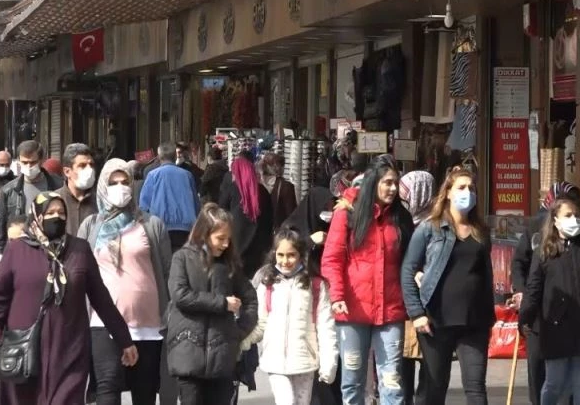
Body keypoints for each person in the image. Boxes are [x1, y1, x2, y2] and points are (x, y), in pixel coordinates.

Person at [0, 192, 138, 404]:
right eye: (50, 212)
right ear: (37, 216)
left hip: (69, 349)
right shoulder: (17, 250)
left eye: (61, 213)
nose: (56, 217)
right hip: (23, 349)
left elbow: (101, 299)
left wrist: (124, 339)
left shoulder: (79, 250)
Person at [78, 159, 173, 405]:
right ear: (102, 186)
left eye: (125, 182)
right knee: (107, 388)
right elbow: (80, 273)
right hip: (103, 323)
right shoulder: (91, 226)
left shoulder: (151, 225)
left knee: (145, 392)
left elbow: (165, 271)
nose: (120, 187)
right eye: (113, 182)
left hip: (148, 324)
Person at [322, 155, 414, 405]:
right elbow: (332, 259)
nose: (393, 188)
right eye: (387, 182)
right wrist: (337, 296)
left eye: (396, 183)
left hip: (391, 311)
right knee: (352, 382)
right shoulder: (348, 214)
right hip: (352, 310)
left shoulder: (401, 218)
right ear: (373, 183)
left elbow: (411, 261)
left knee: (392, 381)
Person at [401, 166, 494, 405]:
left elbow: (485, 276)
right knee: (434, 387)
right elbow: (408, 270)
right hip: (436, 322)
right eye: (461, 187)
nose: (467, 192)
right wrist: (417, 314)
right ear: (448, 192)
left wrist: (490, 316)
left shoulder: (481, 231)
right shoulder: (430, 228)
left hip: (474, 322)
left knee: (476, 388)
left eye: (471, 188)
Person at [166, 203, 258, 405]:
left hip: (222, 357)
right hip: (187, 354)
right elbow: (180, 295)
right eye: (220, 238)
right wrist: (222, 303)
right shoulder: (182, 258)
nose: (225, 244)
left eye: (228, 239)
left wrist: (238, 332)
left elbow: (251, 299)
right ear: (204, 234)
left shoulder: (229, 265)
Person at [242, 228, 337, 405]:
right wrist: (242, 340)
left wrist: (329, 361)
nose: (285, 261)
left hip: (305, 361)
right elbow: (261, 323)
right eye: (281, 255)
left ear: (301, 255)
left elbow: (325, 326)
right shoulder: (267, 284)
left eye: (291, 255)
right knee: (287, 401)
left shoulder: (315, 285)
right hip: (275, 361)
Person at [519, 198, 580, 405]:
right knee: (554, 381)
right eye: (568, 215)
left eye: (576, 215)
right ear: (555, 220)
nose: (574, 219)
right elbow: (534, 288)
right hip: (555, 327)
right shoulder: (545, 251)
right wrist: (525, 317)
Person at [512, 181, 580, 405]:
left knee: (570, 376)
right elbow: (518, 264)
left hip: (570, 314)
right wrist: (521, 292)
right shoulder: (534, 228)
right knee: (538, 369)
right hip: (538, 312)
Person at [397, 170, 435, 405]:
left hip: (430, 306)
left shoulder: (437, 223)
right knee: (401, 369)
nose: (403, 201)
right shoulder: (400, 221)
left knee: (430, 370)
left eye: (406, 195)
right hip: (403, 304)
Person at [0, 140, 63, 253]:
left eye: (32, 162)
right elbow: (2, 228)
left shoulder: (58, 185)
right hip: (20, 249)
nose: (28, 166)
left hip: (51, 247)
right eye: (24, 162)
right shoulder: (8, 190)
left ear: (42, 160)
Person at [140, 142, 200, 254]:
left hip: (160, 227)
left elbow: (144, 205)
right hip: (185, 228)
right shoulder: (187, 175)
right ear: (174, 156)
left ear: (158, 157)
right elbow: (196, 204)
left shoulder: (153, 175)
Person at [219, 154, 274, 278]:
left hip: (235, 248)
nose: (232, 176)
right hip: (258, 250)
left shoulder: (232, 189)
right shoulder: (263, 191)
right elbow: (270, 222)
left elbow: (220, 214)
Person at [57, 143, 98, 235]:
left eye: (91, 165)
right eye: (82, 165)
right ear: (67, 171)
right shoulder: (55, 200)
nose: (90, 170)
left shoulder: (100, 201)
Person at [259, 153, 298, 230]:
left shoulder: (255, 183)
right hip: (278, 231)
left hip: (260, 231)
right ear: (278, 167)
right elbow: (291, 214)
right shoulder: (286, 186)